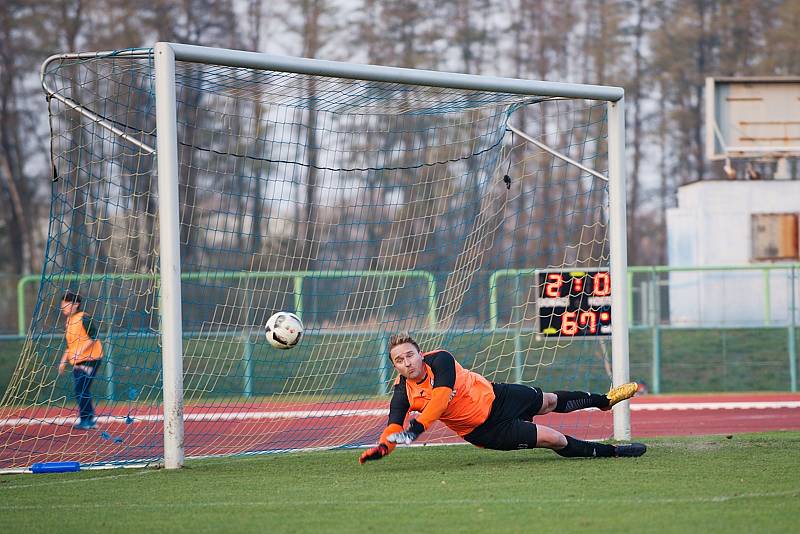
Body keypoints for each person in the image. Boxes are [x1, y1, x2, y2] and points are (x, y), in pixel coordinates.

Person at [359, 332, 646, 464]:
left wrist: (417, 428)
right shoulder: (401, 391)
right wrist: (384, 447)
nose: (406, 362)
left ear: (420, 354)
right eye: (399, 360)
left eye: (410, 355)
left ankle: (604, 401)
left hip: (497, 395)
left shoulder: (442, 360)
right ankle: (614, 452)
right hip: (485, 429)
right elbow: (394, 425)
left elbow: (442, 398)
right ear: (395, 366)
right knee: (553, 438)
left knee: (547, 401)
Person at [58, 292, 104, 430]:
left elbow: (93, 337)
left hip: (91, 359)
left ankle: (87, 420)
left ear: (76, 304)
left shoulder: (83, 318)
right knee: (81, 390)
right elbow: (69, 345)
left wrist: (80, 350)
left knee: (81, 389)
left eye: (66, 305)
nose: (63, 308)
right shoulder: (69, 321)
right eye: (62, 305)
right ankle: (88, 419)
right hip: (77, 361)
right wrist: (63, 361)